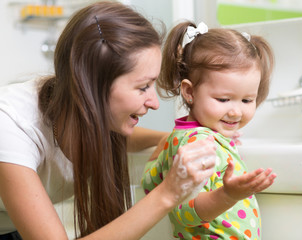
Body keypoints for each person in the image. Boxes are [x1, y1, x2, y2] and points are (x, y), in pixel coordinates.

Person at [0, 3, 219, 240]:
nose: (154, 102)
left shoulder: (77, 112)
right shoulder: (11, 126)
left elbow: (125, 139)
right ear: (92, 87)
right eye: (143, 86)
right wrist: (169, 193)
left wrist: (170, 140)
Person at [142, 21, 277, 240]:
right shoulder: (198, 144)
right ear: (189, 91)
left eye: (246, 100)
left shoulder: (187, 137)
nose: (235, 112)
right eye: (223, 99)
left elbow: (149, 182)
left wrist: (162, 147)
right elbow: (183, 213)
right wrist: (228, 194)